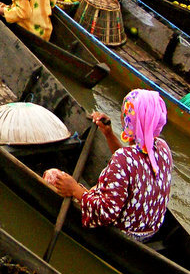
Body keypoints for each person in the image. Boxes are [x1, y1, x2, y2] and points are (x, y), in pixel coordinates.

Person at [47, 90, 172, 241]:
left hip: (121, 235)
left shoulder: (124, 158)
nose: (121, 116)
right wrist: (108, 134)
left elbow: (105, 214)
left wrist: (75, 189)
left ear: (130, 120)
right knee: (95, 187)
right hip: (149, 230)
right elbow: (131, 165)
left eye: (124, 113)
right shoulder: (163, 147)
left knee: (52, 175)